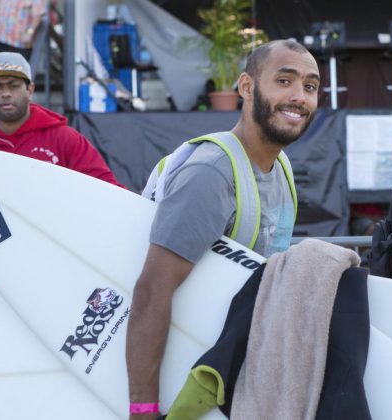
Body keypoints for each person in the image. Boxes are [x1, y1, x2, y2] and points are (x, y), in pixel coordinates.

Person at [126, 39, 320, 419]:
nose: (299, 96)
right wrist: (144, 410)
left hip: (232, 373)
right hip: (187, 379)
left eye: (310, 87)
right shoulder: (211, 172)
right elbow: (151, 292)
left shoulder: (282, 169)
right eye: (284, 81)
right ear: (246, 87)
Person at [0, 52, 124, 289]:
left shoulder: (65, 139)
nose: (5, 93)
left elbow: (108, 192)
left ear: (30, 89)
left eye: (14, 85)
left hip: (60, 274)